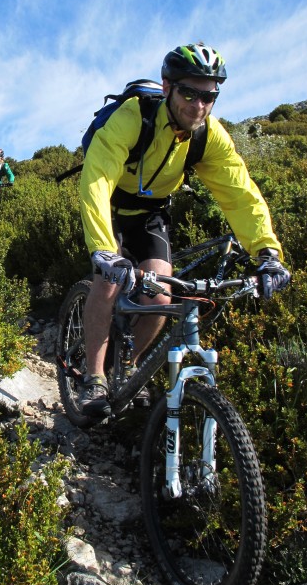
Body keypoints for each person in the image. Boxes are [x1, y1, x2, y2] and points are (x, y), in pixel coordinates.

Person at [79, 42, 291, 418]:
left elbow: (239, 193)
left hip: (151, 211)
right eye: (189, 93)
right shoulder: (133, 117)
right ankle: (93, 377)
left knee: (161, 297)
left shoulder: (207, 135)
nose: (199, 106)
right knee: (107, 281)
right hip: (111, 201)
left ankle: (126, 367)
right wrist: (103, 249)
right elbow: (96, 178)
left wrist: (267, 252)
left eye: (209, 97)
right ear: (167, 88)